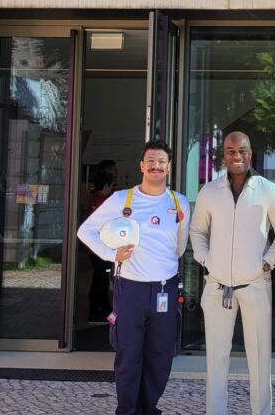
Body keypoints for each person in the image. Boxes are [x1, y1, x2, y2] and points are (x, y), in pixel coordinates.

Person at [78, 140, 190, 415]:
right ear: (142, 165)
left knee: (160, 356)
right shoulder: (121, 200)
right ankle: (127, 410)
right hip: (130, 289)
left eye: (161, 161)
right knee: (129, 355)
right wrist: (110, 253)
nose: (156, 166)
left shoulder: (179, 202)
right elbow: (85, 231)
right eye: (150, 161)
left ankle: (148, 408)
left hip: (165, 288)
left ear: (168, 166)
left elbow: (180, 245)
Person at [190, 131, 275, 415]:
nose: (237, 156)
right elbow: (197, 231)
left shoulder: (268, 190)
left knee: (260, 359)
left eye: (243, 151)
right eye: (231, 151)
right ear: (223, 154)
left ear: (251, 153)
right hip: (217, 285)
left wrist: (267, 262)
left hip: (255, 285)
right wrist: (206, 260)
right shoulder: (209, 191)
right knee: (216, 358)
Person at [83, 167, 116, 322]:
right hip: (99, 248)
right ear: (106, 187)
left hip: (95, 248)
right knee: (100, 280)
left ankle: (102, 308)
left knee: (100, 278)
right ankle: (98, 310)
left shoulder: (92, 199)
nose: (111, 189)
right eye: (111, 186)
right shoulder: (101, 202)